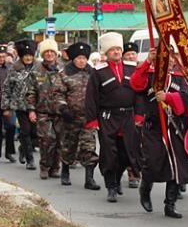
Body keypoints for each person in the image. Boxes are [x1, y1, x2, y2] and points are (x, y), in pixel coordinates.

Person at [130, 47, 188, 218]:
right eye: (165, 57)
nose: (170, 60)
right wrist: (147, 61)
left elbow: (186, 100)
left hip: (174, 127)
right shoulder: (149, 76)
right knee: (153, 163)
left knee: (176, 165)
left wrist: (169, 98)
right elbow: (135, 84)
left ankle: (170, 204)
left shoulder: (179, 78)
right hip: (154, 128)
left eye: (172, 57)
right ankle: (145, 189)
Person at [85, 32, 140, 203]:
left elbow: (139, 93)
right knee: (109, 153)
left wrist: (139, 114)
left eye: (118, 49)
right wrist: (92, 120)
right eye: (112, 50)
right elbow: (91, 97)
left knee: (126, 153)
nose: (116, 52)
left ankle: (117, 177)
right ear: (106, 53)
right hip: (107, 117)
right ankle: (111, 186)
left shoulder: (132, 69)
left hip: (128, 117)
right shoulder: (98, 72)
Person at [59, 42, 100, 189]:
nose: (81, 61)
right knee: (69, 146)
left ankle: (89, 179)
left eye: (84, 58)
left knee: (89, 147)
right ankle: (65, 171)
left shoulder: (93, 73)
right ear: (73, 59)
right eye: (78, 58)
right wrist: (63, 108)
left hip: (89, 117)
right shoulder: (65, 74)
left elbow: (100, 93)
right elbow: (58, 93)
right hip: (71, 117)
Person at [26, 39, 67, 179]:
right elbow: (31, 91)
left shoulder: (64, 69)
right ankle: (44, 166)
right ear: (42, 54)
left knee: (59, 141)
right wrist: (31, 110)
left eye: (52, 52)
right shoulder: (36, 70)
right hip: (43, 111)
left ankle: (55, 167)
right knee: (47, 139)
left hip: (60, 112)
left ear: (56, 53)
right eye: (46, 52)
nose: (49, 54)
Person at [2, 39, 38, 170]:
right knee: (26, 131)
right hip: (20, 105)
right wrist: (6, 107)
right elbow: (7, 88)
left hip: (37, 106)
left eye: (30, 55)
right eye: (25, 55)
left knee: (36, 133)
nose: (28, 58)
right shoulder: (14, 68)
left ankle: (23, 148)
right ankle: (30, 159)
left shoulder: (39, 67)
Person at [122, 41, 142, 189]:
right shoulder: (120, 70)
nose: (130, 56)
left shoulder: (143, 68)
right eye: (127, 54)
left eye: (132, 54)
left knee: (143, 147)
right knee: (129, 145)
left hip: (142, 113)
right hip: (126, 113)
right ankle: (132, 173)